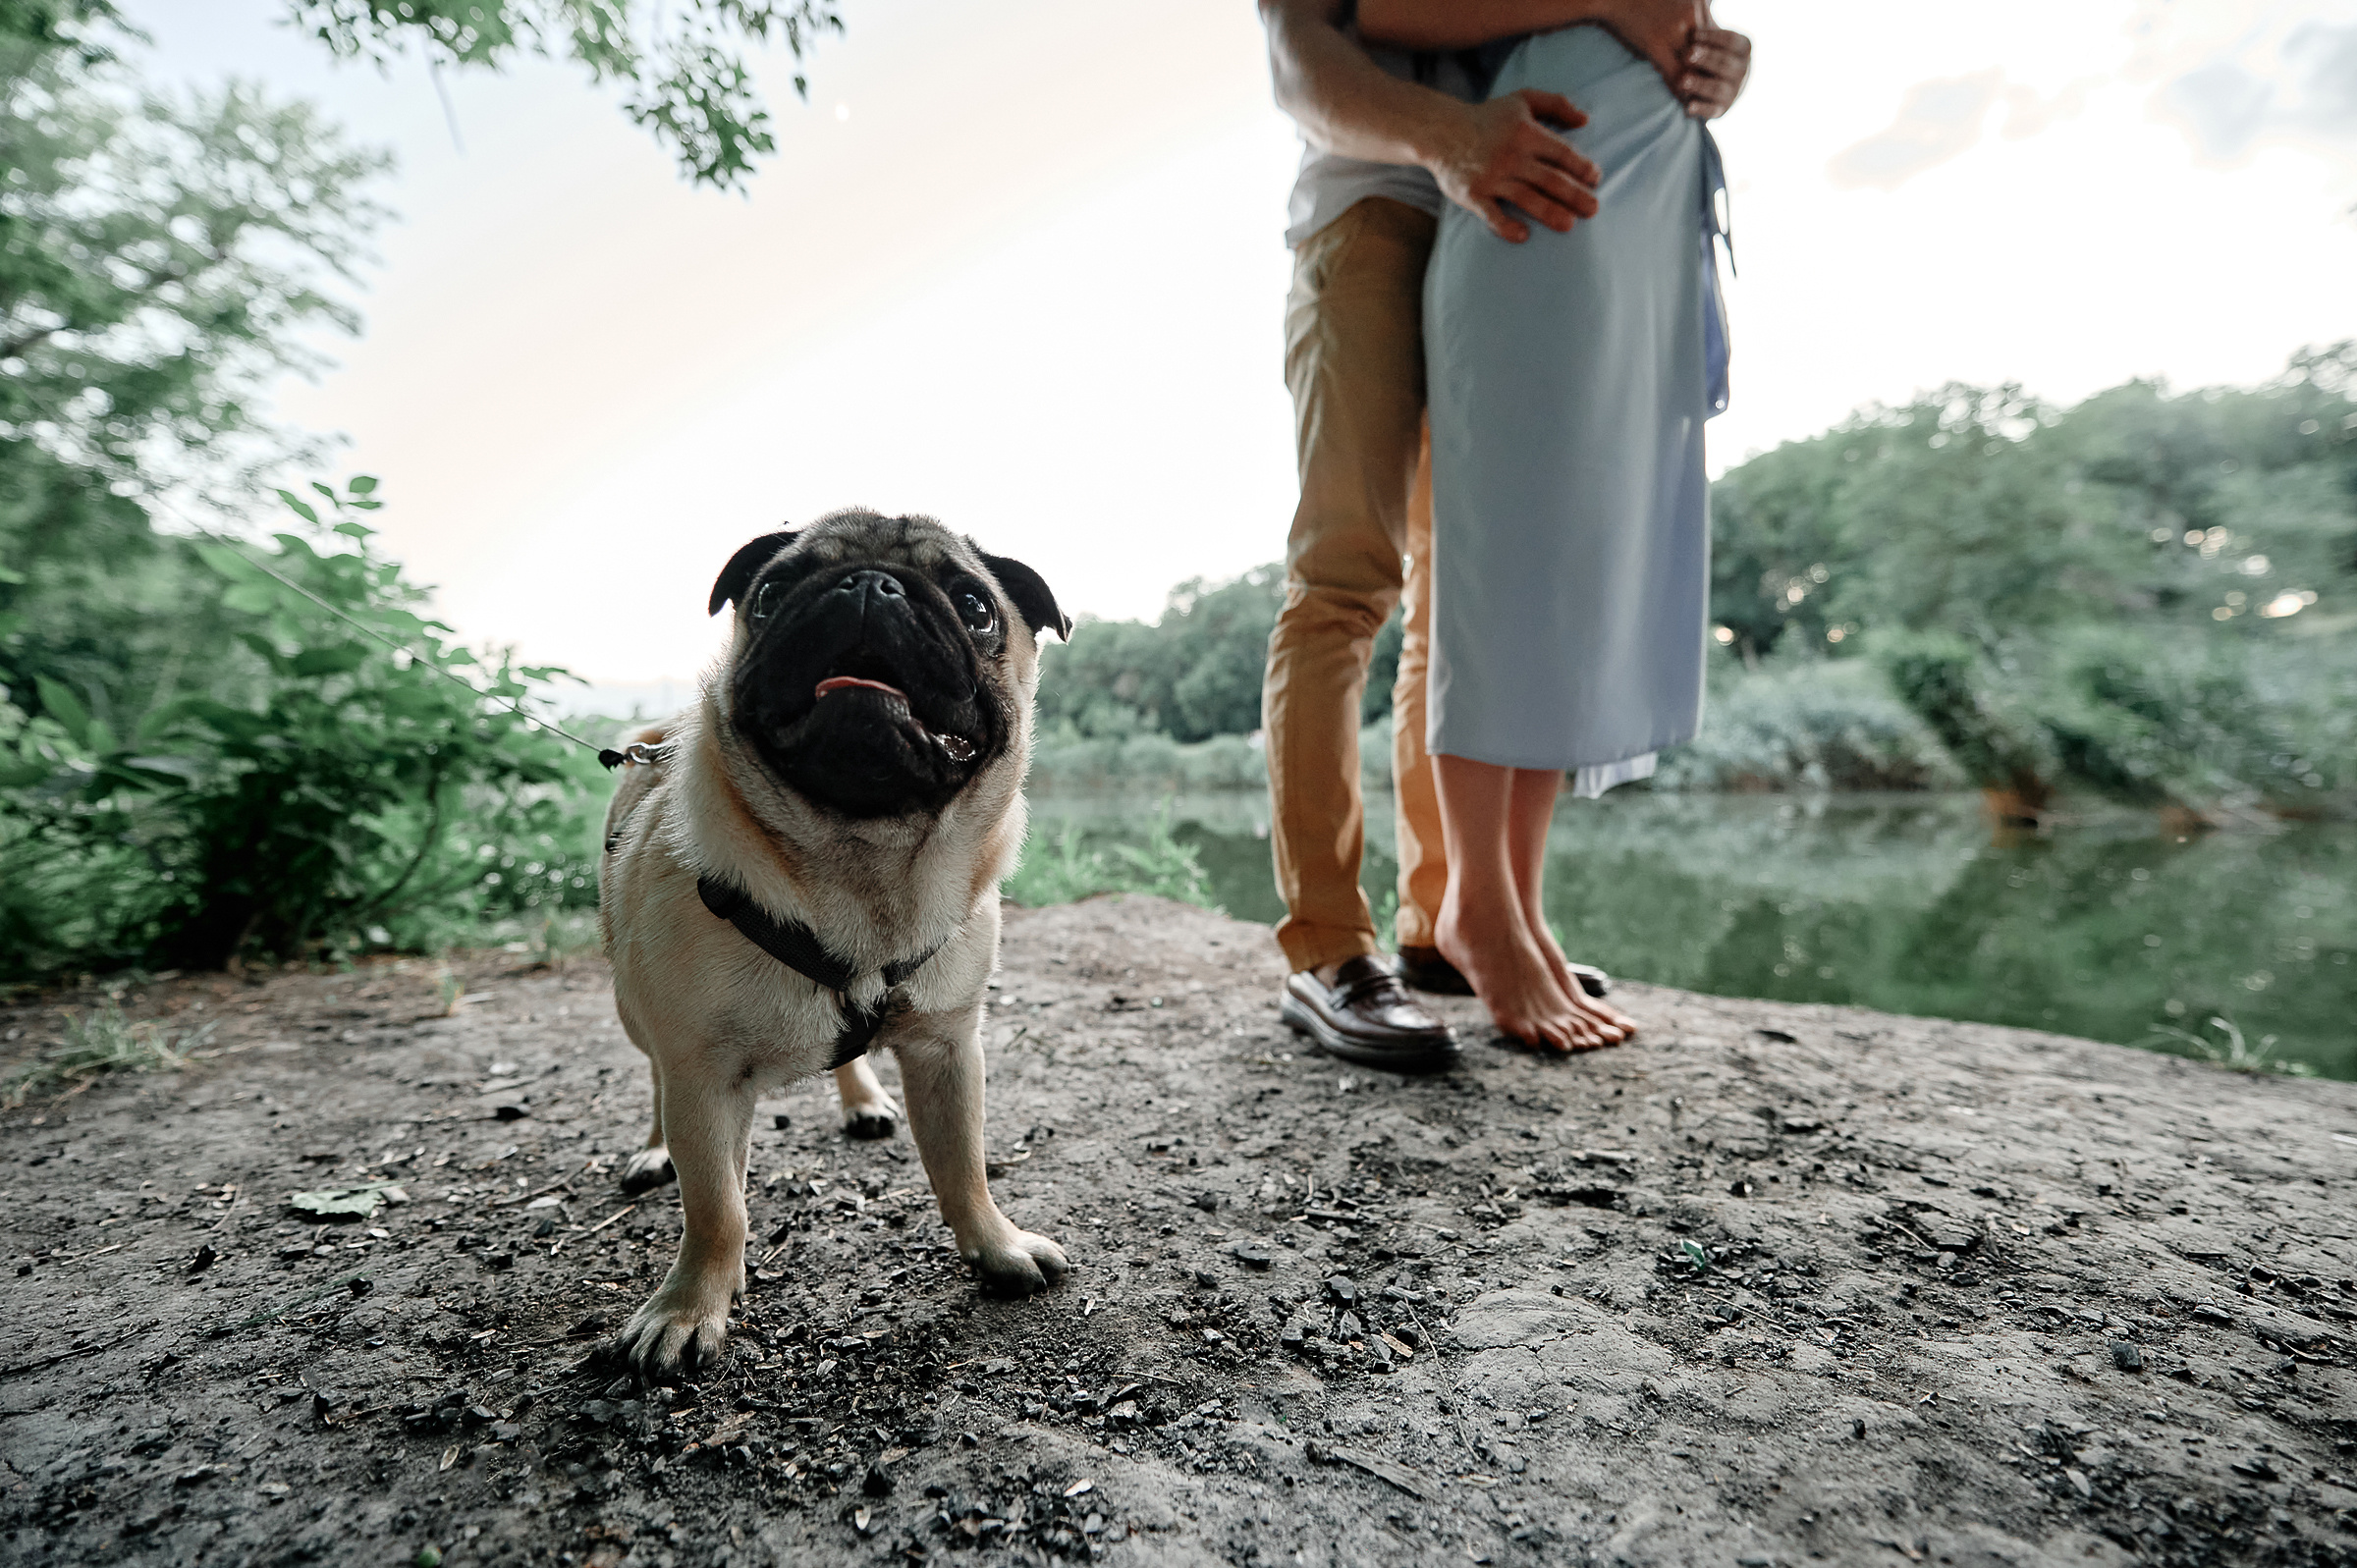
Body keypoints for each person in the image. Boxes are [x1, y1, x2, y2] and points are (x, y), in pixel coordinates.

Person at [1256, 0, 1750, 1069]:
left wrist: (1707, 63)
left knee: (1470, 590)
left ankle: (1445, 921)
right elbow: (1302, 65)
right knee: (1344, 582)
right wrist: (1456, 133)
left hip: (1508, 213)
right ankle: (1328, 950)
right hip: (1373, 214)